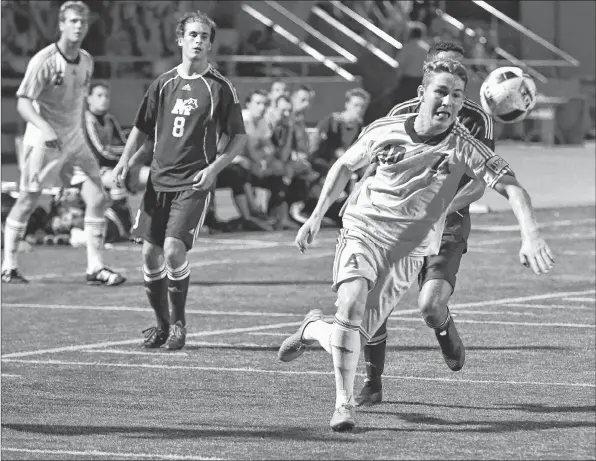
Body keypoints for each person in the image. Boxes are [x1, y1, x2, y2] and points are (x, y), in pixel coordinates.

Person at [277, 59, 554, 432]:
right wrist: (315, 215)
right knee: (351, 301)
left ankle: (313, 328)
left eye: (457, 95)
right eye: (441, 92)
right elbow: (344, 165)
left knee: (352, 335)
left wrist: (531, 233)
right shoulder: (385, 128)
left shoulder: (464, 146)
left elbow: (513, 187)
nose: (448, 101)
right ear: (422, 94)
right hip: (365, 229)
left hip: (409, 251)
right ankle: (343, 406)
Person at [356, 41, 496, 406]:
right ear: (428, 72)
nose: (451, 79)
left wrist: (441, 207)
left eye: (458, 72)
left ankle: (444, 328)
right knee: (376, 300)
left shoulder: (478, 119)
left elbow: (481, 181)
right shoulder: (401, 112)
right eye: (443, 67)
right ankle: (372, 381)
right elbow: (379, 163)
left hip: (447, 222)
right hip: (397, 222)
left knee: (429, 305)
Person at [113, 11, 247, 350]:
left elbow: (238, 138)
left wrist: (214, 169)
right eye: (193, 35)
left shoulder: (219, 87)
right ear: (180, 40)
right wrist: (123, 162)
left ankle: (179, 325)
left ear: (210, 43)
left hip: (193, 183)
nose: (198, 41)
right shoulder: (163, 83)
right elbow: (142, 129)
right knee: (149, 256)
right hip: (157, 182)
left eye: (204, 36)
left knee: (173, 251)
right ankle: (161, 325)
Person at [1, 1, 125, 286]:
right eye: (72, 21)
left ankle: (95, 267)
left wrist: (81, 136)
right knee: (28, 200)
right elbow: (23, 103)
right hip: (44, 142)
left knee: (97, 197)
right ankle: (8, 265)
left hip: (75, 141)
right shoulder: (44, 60)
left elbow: (76, 104)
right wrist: (44, 128)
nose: (78, 26)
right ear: (61, 24)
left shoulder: (87, 61)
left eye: (82, 22)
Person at [80, 81, 149, 242]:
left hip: (118, 167)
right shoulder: (86, 120)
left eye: (106, 96)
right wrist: (126, 157)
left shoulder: (110, 119)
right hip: (95, 171)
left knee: (154, 176)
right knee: (117, 181)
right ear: (88, 98)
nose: (104, 99)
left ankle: (152, 224)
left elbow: (124, 145)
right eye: (99, 95)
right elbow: (100, 153)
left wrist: (133, 155)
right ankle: (124, 227)